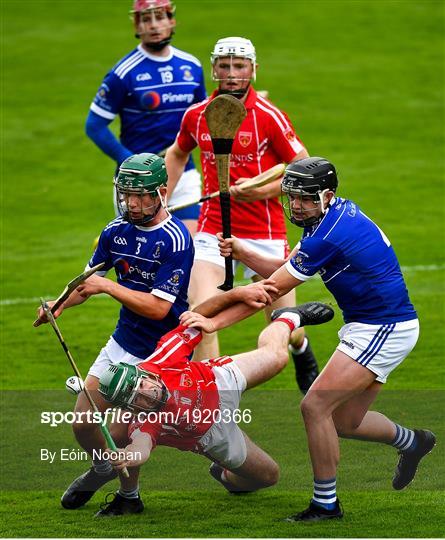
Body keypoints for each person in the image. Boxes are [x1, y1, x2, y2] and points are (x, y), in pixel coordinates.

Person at [188, 156, 436, 522]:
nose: (295, 206)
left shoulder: (327, 234)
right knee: (345, 422)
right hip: (377, 325)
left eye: (304, 198)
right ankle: (413, 442)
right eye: (291, 197)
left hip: (382, 326)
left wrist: (210, 321)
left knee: (315, 407)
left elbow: (268, 291)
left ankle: (326, 505)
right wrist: (243, 251)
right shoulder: (329, 216)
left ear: (327, 194)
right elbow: (287, 270)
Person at [35, 153, 195, 511]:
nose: (132, 204)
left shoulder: (176, 240)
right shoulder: (114, 231)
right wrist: (58, 305)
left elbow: (158, 308)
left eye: (141, 196)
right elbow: (84, 282)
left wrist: (108, 288)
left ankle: (128, 497)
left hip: (160, 352)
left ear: (162, 193)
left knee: (122, 432)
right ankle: (103, 467)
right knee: (82, 423)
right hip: (123, 341)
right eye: (126, 195)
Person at [165, 36, 319, 394]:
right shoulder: (196, 115)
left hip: (264, 234)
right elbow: (176, 152)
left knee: (283, 325)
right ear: (214, 68)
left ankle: (301, 348)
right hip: (212, 231)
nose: (231, 74)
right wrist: (164, 198)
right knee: (199, 315)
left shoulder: (269, 118)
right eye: (224, 66)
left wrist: (259, 191)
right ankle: (209, 401)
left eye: (239, 66)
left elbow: (304, 168)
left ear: (253, 69)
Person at [93, 289, 334, 516]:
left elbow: (195, 316)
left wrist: (236, 294)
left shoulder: (164, 356)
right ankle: (225, 474)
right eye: (137, 399)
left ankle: (287, 319)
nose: (147, 395)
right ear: (130, 408)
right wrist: (129, 457)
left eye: (142, 386)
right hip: (214, 436)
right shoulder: (143, 421)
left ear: (145, 374)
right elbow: (141, 447)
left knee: (278, 357)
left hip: (217, 380)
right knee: (269, 476)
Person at [85, 0, 206, 234]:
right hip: (137, 180)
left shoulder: (192, 66)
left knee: (189, 253)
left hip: (184, 174)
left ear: (171, 21)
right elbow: (95, 126)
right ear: (136, 25)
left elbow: (201, 116)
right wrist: (129, 160)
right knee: (142, 264)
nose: (153, 25)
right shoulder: (123, 73)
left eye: (159, 17)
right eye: (145, 19)